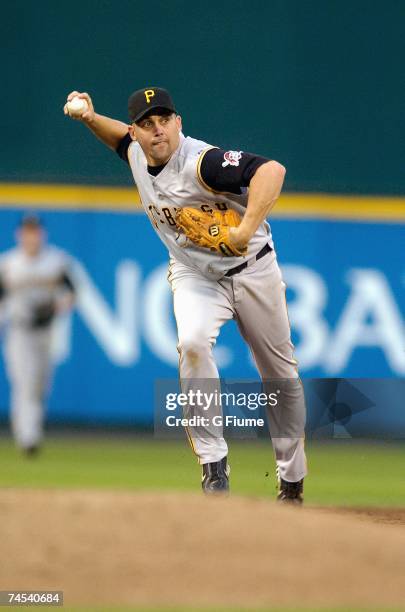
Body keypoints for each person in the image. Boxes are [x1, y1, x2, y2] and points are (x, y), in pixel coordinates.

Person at [64, 87, 307, 503]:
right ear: (137, 132)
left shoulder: (203, 163)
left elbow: (273, 171)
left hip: (253, 270)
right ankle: (214, 468)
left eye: (164, 120)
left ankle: (292, 481)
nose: (157, 130)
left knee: (280, 377)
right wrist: (89, 117)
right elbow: (118, 139)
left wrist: (245, 229)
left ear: (179, 123)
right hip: (195, 274)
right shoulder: (136, 151)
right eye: (147, 124)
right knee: (192, 343)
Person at [0, 215, 76, 455]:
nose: (31, 236)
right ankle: (28, 438)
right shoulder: (8, 263)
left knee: (41, 386)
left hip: (46, 330)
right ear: (20, 235)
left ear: (41, 234)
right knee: (25, 384)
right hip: (19, 330)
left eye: (35, 231)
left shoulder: (55, 261)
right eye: (27, 231)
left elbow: (71, 293)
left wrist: (56, 308)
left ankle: (29, 432)